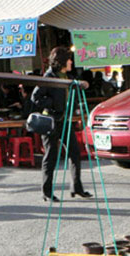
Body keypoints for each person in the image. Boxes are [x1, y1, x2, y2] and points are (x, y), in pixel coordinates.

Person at [32, 46, 92, 202]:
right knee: (50, 157)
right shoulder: (48, 77)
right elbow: (35, 97)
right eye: (69, 59)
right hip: (51, 122)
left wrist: (81, 84)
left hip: (65, 121)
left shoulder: (66, 76)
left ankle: (76, 188)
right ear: (62, 61)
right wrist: (52, 103)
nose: (71, 62)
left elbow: (73, 88)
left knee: (75, 153)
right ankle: (46, 192)